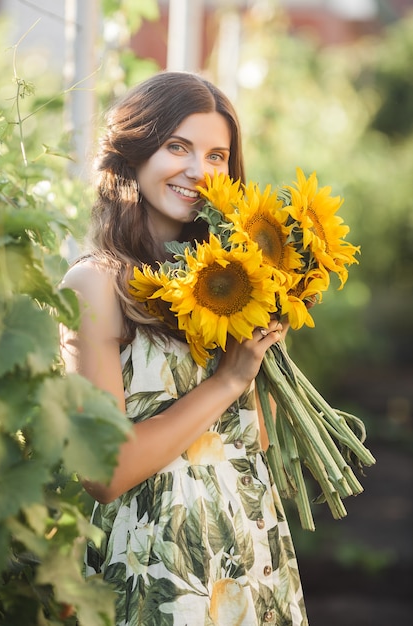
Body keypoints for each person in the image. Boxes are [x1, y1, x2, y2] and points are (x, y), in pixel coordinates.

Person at [60, 71, 308, 626]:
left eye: (217, 155)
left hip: (247, 555)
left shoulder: (230, 282)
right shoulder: (96, 285)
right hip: (156, 575)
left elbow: (252, 443)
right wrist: (226, 380)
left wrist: (269, 338)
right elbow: (105, 472)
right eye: (178, 147)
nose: (200, 171)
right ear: (134, 150)